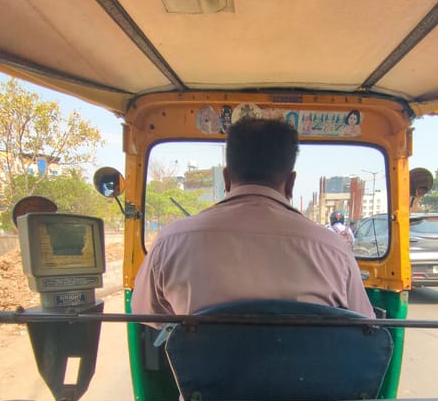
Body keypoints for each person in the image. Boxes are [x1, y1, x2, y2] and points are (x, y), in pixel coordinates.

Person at [132, 117, 374, 319]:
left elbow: (147, 314)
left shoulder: (170, 242)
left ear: (226, 179)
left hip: (205, 378)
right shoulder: (334, 250)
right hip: (304, 378)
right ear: (291, 184)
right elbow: (364, 326)